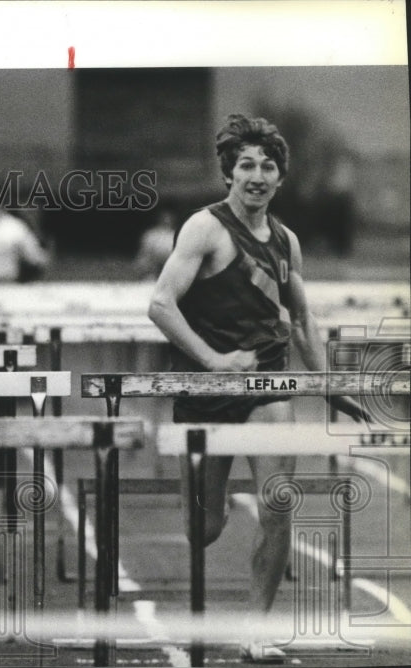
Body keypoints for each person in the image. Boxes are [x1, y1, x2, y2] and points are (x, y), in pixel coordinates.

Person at [147, 114, 366, 663]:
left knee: (277, 504)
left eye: (268, 166)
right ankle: (212, 505)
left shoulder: (287, 242)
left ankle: (256, 630)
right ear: (229, 173)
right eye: (247, 165)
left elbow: (301, 321)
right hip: (205, 387)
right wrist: (214, 361)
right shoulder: (204, 228)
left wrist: (325, 384)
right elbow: (160, 305)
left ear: (279, 179)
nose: (258, 175)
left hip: (267, 386)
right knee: (205, 527)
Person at [132, 207, 178, 280]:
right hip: (151, 269)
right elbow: (144, 254)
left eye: (169, 217)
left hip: (170, 269)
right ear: (159, 218)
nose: (166, 220)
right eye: (164, 217)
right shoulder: (150, 234)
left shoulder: (176, 234)